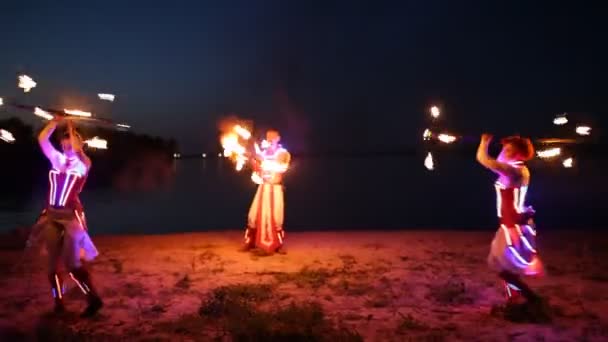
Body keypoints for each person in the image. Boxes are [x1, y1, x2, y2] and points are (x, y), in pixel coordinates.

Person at [27, 117, 103, 317]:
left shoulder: (83, 163)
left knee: (72, 264)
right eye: (64, 141)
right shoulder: (56, 159)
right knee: (52, 266)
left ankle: (93, 298)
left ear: (80, 143)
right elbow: (43, 139)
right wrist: (55, 122)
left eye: (72, 140)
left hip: (70, 218)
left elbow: (79, 153)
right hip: (51, 216)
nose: (67, 144)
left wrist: (70, 126)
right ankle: (58, 302)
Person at [477, 134, 543, 305]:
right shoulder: (519, 169)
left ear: (519, 154)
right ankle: (515, 298)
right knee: (505, 267)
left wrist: (484, 143)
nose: (504, 152)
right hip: (513, 223)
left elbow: (485, 160)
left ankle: (529, 297)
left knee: (504, 268)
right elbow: (498, 161)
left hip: (513, 225)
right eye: (505, 149)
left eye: (509, 150)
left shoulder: (512, 171)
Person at [241, 129, 291, 254]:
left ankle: (278, 245)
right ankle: (250, 242)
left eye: (272, 138)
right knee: (253, 216)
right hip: (263, 189)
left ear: (278, 138)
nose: (269, 140)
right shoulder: (262, 154)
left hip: (275, 189)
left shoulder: (283, 153)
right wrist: (253, 162)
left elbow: (281, 167)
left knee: (276, 218)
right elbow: (257, 171)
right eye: (267, 138)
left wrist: (263, 163)